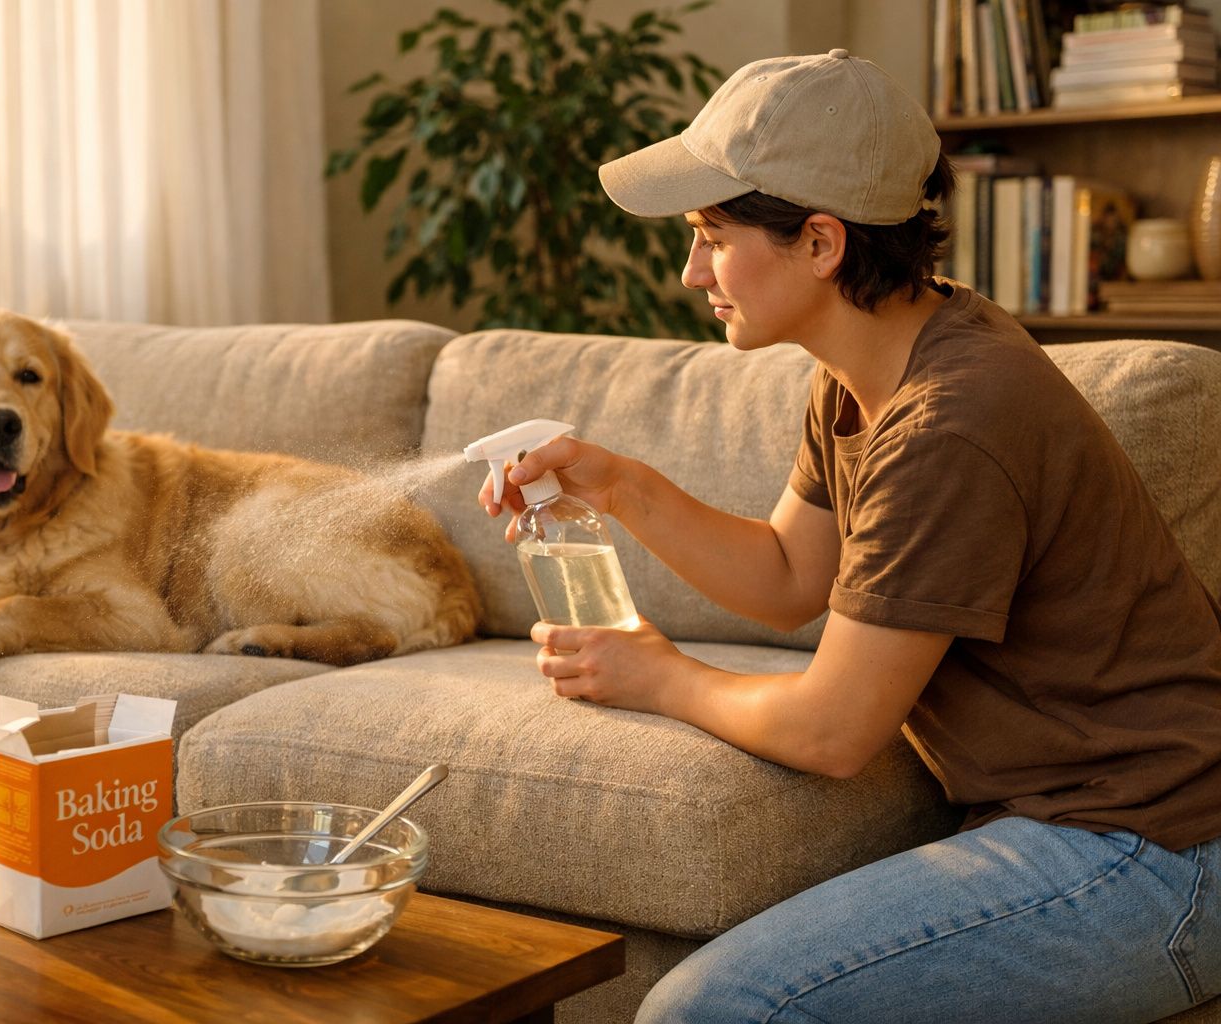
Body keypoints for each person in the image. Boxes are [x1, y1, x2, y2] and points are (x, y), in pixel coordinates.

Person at [478, 50, 1221, 1023]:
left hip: (1157, 846)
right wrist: (619, 483)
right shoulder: (875, 363)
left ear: (822, 243)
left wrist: (660, 675)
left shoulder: (954, 420)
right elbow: (791, 575)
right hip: (1091, 816)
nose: (691, 270)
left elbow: (833, 732)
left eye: (712, 235)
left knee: (717, 1007)